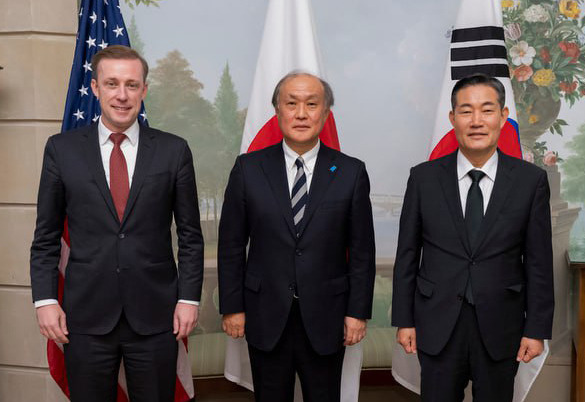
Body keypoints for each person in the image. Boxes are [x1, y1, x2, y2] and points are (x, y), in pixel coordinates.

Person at [30, 45, 203, 402]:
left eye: (131, 84)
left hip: (157, 316)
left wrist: (188, 298)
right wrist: (45, 300)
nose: (122, 95)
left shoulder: (174, 151)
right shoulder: (61, 150)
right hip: (85, 316)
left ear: (144, 90)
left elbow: (190, 236)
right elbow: (46, 236)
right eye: (111, 84)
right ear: (94, 88)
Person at [391, 73, 554, 401]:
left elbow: (538, 262)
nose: (476, 121)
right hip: (437, 324)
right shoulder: (423, 179)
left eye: (487, 110)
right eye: (466, 111)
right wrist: (404, 320)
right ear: (452, 118)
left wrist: (536, 330)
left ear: (503, 116)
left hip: (501, 324)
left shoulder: (530, 181)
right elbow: (407, 255)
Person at [218, 71, 376, 402]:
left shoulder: (350, 172)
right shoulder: (248, 169)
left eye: (311, 104)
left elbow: (362, 251)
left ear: (326, 112)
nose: (301, 113)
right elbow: (231, 245)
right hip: (265, 313)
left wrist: (357, 312)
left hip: (328, 317)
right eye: (291, 103)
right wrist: (232, 307)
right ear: (277, 110)